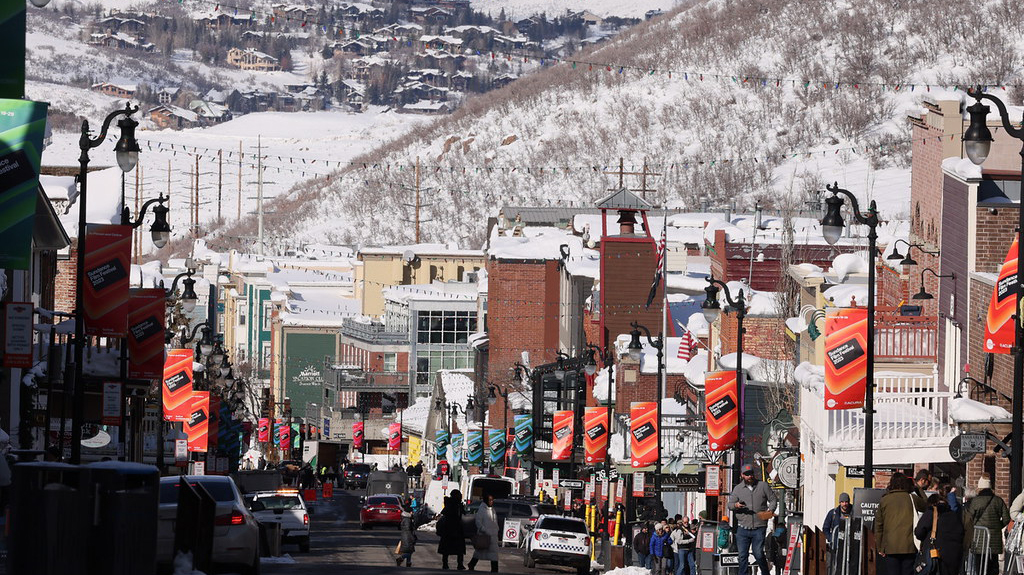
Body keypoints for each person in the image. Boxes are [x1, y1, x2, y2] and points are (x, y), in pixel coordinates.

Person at [727, 463, 778, 575]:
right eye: (746, 474)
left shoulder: (763, 486)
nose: (749, 476)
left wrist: (770, 511)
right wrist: (736, 505)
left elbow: (773, 499)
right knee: (742, 555)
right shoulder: (738, 489)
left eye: (750, 474)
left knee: (758, 553)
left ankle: (765, 573)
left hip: (759, 527)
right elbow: (729, 505)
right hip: (742, 528)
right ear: (742, 475)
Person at [875, 473, 927, 575]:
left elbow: (879, 525)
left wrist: (880, 547)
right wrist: (918, 489)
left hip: (890, 546)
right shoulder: (911, 498)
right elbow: (926, 505)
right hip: (908, 546)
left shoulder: (884, 500)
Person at [967, 474, 1010, 575]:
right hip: (994, 539)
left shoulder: (975, 501)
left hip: (979, 539)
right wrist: (997, 525)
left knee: (980, 566)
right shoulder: (998, 501)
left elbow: (969, 519)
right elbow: (1006, 519)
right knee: (993, 565)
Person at [915, 493, 964, 575]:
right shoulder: (954, 514)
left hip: (936, 554)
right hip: (954, 555)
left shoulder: (931, 512)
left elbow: (919, 532)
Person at [468, 494, 499, 572]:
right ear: (486, 501)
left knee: (494, 553)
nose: (491, 502)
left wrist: (496, 529)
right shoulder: (482, 509)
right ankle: (472, 563)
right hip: (485, 535)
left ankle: (494, 569)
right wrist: (483, 529)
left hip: (493, 535)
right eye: (490, 500)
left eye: (492, 500)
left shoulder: (493, 510)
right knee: (480, 551)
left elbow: (495, 521)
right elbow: (478, 521)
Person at [437, 489, 467, 570]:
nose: (460, 497)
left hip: (454, 529)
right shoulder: (451, 504)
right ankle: (446, 564)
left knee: (457, 548)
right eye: (459, 495)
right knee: (450, 548)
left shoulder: (456, 504)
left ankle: (459, 564)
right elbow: (451, 514)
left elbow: (463, 514)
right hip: (450, 528)